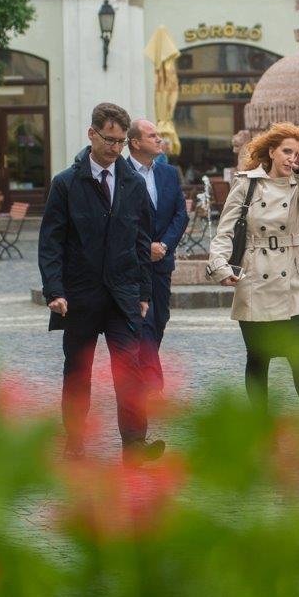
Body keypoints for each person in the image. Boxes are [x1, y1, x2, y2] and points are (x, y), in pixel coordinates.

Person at [38, 102, 164, 460]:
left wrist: (143, 292)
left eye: (122, 142)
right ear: (92, 134)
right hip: (78, 294)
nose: (115, 148)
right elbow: (51, 243)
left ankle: (135, 445)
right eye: (109, 140)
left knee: (129, 370)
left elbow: (142, 241)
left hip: (122, 294)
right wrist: (55, 290)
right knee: (78, 372)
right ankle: (75, 442)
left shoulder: (132, 183)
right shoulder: (66, 183)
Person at [207, 123, 299, 419]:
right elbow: (225, 231)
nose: (291, 158)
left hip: (295, 281)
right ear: (271, 151)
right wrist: (220, 266)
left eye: (298, 153)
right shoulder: (246, 183)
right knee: (258, 359)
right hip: (255, 278)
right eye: (287, 151)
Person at [126, 120, 188, 394]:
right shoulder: (119, 172)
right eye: (153, 136)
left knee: (160, 318)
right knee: (144, 321)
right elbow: (119, 219)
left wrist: (163, 245)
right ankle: (150, 383)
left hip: (162, 261)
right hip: (132, 263)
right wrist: (143, 247)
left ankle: (141, 369)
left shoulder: (169, 173)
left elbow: (180, 215)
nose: (159, 139)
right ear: (136, 142)